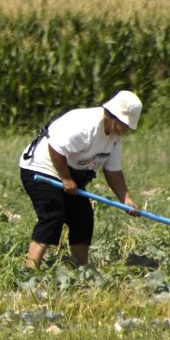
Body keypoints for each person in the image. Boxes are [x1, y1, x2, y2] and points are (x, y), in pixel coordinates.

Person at [18, 90, 143, 269]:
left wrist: (126, 199)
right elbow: (56, 149)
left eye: (128, 127)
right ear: (112, 115)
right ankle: (30, 268)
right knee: (53, 215)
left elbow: (113, 171)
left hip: (71, 174)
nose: (124, 130)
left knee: (83, 217)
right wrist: (66, 179)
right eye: (123, 124)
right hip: (42, 167)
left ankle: (81, 269)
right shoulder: (87, 125)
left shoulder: (115, 138)